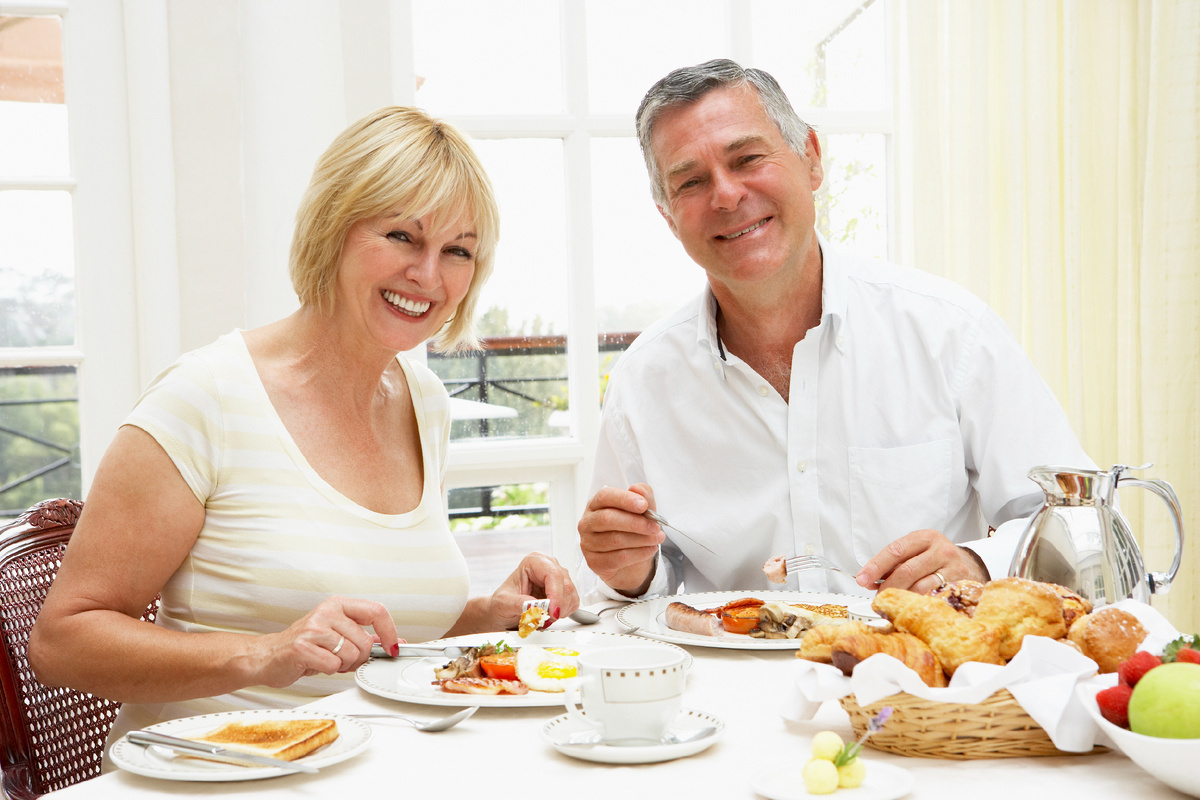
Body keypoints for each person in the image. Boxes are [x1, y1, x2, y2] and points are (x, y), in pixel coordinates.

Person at [29, 106, 579, 740]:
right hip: (214, 771)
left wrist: (489, 614)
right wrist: (265, 653)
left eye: (457, 251)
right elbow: (62, 642)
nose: (428, 275)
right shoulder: (208, 396)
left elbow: (374, 633)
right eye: (402, 236)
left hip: (363, 766)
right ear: (333, 226)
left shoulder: (422, 401)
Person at [576, 59, 1093, 602]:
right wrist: (631, 572)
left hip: (917, 655)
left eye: (747, 159)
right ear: (667, 214)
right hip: (727, 660)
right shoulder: (642, 383)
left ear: (811, 158)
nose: (726, 195)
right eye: (691, 182)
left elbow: (1081, 523)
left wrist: (977, 564)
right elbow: (624, 588)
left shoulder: (950, 332)